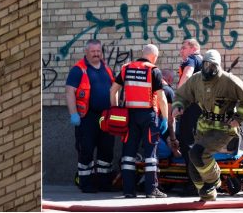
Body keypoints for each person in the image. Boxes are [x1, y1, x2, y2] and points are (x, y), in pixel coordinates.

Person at [171, 49, 243, 201]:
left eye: (212, 66)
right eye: (206, 65)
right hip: (204, 126)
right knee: (193, 162)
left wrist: (239, 118)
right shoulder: (196, 80)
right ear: (202, 64)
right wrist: (178, 106)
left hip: (223, 128)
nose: (209, 69)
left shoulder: (229, 80)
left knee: (198, 153)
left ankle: (214, 181)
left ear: (218, 66)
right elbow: (182, 95)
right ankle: (207, 193)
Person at [110, 44, 169, 199]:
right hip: (148, 116)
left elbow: (113, 90)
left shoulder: (126, 68)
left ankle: (129, 190)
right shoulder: (153, 70)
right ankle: (151, 190)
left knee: (128, 154)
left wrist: (116, 109)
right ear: (154, 56)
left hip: (129, 116)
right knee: (150, 154)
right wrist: (166, 118)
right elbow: (162, 98)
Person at [65, 39, 117, 193]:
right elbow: (69, 92)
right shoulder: (78, 69)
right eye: (93, 51)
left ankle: (104, 183)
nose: (96, 54)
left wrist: (115, 109)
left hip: (106, 117)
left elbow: (114, 89)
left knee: (106, 151)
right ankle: (86, 184)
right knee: (86, 150)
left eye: (98, 51)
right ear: (86, 52)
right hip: (87, 117)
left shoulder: (106, 69)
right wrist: (73, 114)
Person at [171, 40, 204, 171]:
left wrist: (179, 96)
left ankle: (192, 182)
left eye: (183, 48)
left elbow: (187, 74)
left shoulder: (191, 59)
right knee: (197, 144)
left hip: (191, 107)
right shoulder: (204, 62)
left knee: (187, 142)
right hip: (202, 108)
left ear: (193, 48)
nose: (181, 51)